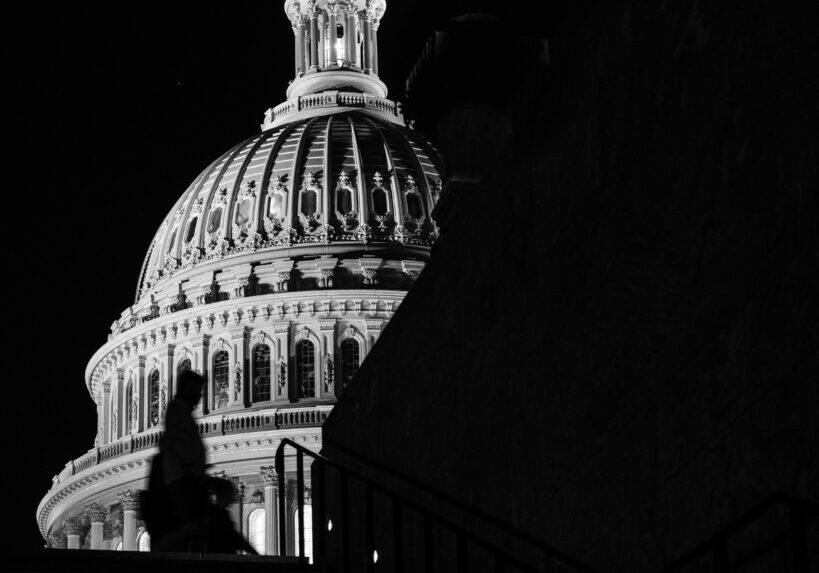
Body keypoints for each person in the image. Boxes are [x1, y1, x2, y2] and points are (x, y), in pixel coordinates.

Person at [146, 370, 209, 551]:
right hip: (181, 480)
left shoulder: (182, 410)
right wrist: (194, 468)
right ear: (188, 388)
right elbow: (179, 443)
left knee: (192, 527)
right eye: (197, 391)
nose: (199, 396)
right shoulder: (178, 409)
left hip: (183, 478)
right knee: (189, 527)